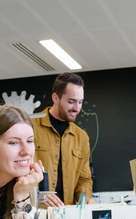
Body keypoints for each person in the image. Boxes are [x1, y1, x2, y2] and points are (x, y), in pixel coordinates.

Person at [32, 72, 94, 207]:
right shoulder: (30, 127)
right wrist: (39, 196)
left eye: (80, 102)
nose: (77, 108)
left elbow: (84, 178)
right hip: (35, 213)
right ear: (55, 98)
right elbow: (18, 171)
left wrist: (85, 198)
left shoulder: (82, 137)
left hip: (67, 216)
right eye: (71, 102)